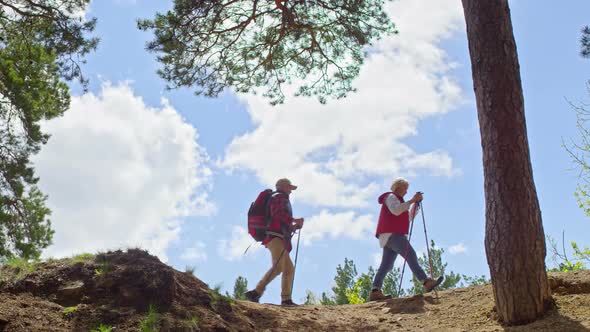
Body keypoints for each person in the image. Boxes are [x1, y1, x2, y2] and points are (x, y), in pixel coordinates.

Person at [369, 178, 443, 301]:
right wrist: (412, 200)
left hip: (388, 236)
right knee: (410, 254)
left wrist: (415, 203)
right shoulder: (391, 197)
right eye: (405, 189)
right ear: (398, 187)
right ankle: (425, 281)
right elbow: (396, 210)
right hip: (393, 234)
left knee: (386, 265)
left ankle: (375, 290)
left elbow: (408, 217)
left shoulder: (399, 201)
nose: (406, 192)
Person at [245, 178, 304, 306]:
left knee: (284, 268)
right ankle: (282, 299)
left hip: (275, 237)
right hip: (274, 237)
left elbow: (280, 220)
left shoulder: (278, 198)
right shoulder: (279, 197)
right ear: (282, 187)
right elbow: (278, 215)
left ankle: (258, 293)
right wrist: (295, 220)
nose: (291, 191)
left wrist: (294, 226)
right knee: (284, 267)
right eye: (289, 188)